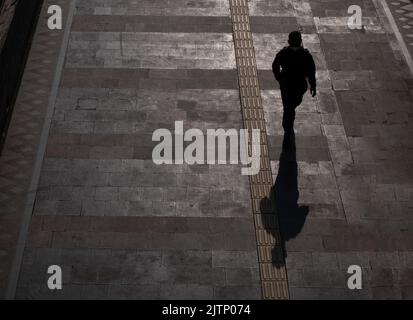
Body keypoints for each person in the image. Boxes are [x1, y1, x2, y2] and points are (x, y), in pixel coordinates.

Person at [272, 31, 317, 147]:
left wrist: (279, 78)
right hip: (299, 85)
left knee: (288, 104)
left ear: (289, 41)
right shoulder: (305, 55)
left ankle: (288, 119)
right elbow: (311, 71)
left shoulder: (284, 53)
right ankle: (288, 121)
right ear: (300, 41)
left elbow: (275, 65)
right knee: (293, 103)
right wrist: (313, 85)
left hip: (286, 84)